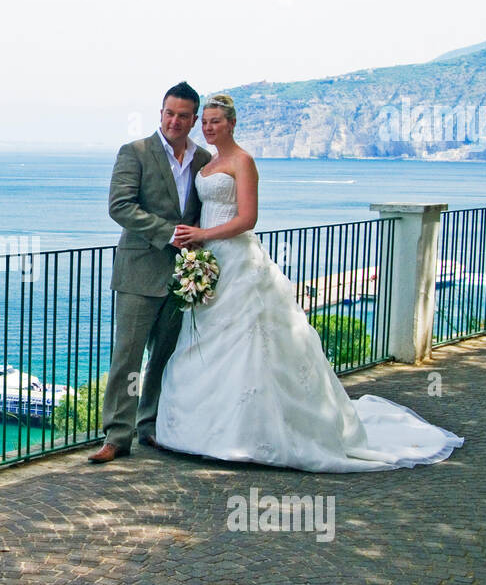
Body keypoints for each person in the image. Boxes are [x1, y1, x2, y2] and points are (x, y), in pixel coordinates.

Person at [153, 94, 463, 471]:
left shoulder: (243, 162)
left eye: (217, 121)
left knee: (250, 342)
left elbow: (248, 218)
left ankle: (250, 434)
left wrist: (206, 233)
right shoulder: (207, 164)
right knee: (205, 340)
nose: (209, 127)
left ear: (232, 124)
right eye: (206, 121)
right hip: (211, 263)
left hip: (237, 258)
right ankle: (200, 431)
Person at [89, 82, 212, 464]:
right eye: (169, 113)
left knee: (164, 355)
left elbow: (203, 214)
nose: (175, 121)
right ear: (160, 113)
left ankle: (151, 425)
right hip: (139, 271)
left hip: (181, 275)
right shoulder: (135, 152)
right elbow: (120, 206)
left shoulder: (204, 159)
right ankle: (117, 436)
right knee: (126, 357)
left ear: (193, 119)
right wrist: (170, 234)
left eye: (183, 116)